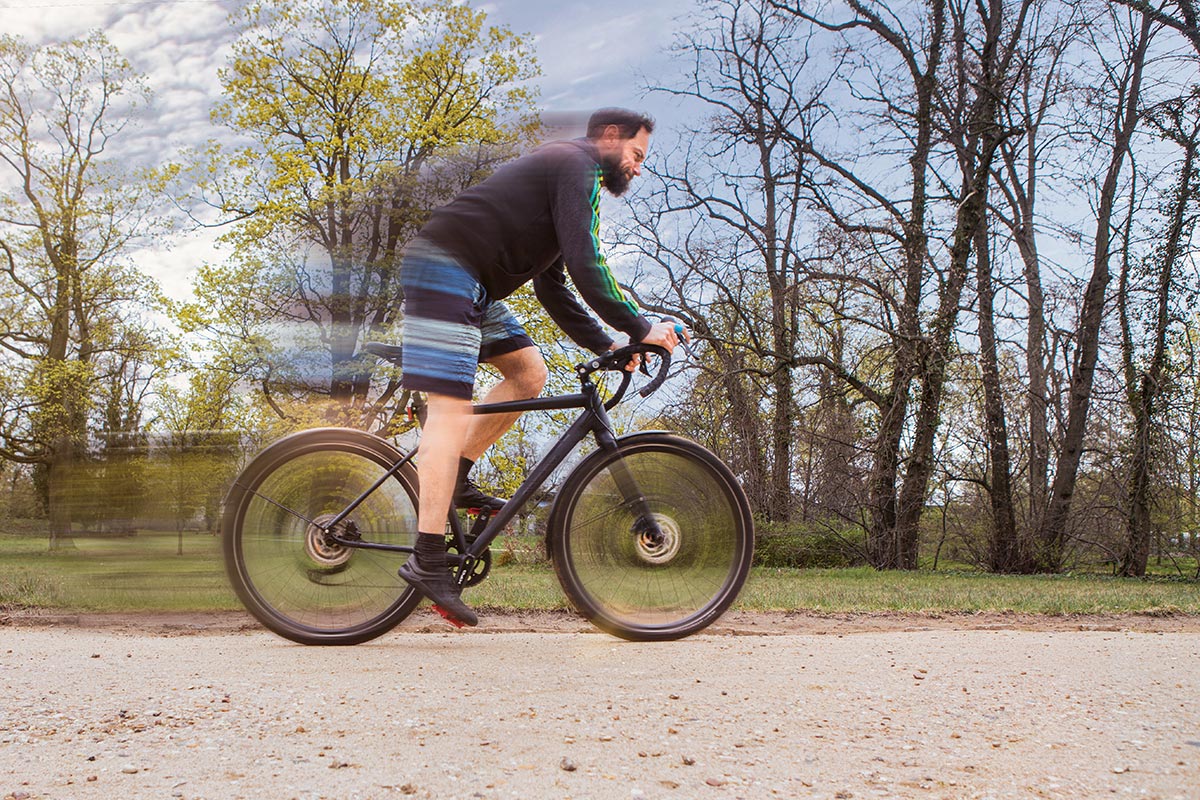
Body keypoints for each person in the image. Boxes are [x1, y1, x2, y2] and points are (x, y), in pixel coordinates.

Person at [395, 107, 683, 626]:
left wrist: (607, 344)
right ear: (610, 138)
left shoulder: (565, 184)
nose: (639, 168)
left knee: (529, 373)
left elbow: (556, 287)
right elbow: (586, 259)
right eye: (637, 155)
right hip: (445, 268)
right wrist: (640, 326)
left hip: (474, 285)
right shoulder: (576, 163)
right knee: (450, 408)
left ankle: (454, 479)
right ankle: (428, 558)